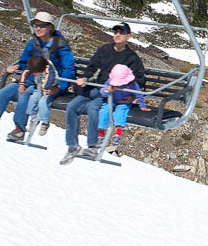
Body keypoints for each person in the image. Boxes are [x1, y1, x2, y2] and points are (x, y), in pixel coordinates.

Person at [0, 11, 75, 142]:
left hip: (45, 82)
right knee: (3, 93)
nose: (37, 28)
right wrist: (17, 67)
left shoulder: (60, 45)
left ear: (49, 27)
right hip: (28, 78)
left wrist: (60, 87)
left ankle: (20, 129)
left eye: (41, 25)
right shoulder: (34, 43)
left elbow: (68, 68)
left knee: (25, 94)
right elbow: (25, 60)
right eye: (35, 25)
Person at [63, 22, 146, 161]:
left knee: (93, 107)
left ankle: (93, 146)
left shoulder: (131, 57)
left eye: (121, 32)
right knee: (72, 106)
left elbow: (139, 79)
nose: (118, 35)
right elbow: (93, 65)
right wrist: (85, 77)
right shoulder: (105, 50)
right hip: (98, 87)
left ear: (128, 36)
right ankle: (72, 146)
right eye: (116, 32)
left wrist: (132, 96)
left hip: (113, 94)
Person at [96, 64, 150, 147]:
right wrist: (107, 90)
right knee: (104, 111)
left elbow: (139, 94)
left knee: (121, 112)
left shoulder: (132, 84)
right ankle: (101, 135)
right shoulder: (110, 81)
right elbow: (102, 92)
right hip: (111, 100)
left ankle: (117, 134)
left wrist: (142, 106)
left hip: (124, 102)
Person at [21, 55, 62, 136]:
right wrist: (22, 84)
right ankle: (33, 119)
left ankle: (45, 122)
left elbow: (50, 78)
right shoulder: (35, 67)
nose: (35, 75)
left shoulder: (48, 68)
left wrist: (46, 88)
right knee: (32, 100)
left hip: (51, 88)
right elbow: (25, 72)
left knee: (43, 102)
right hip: (39, 87)